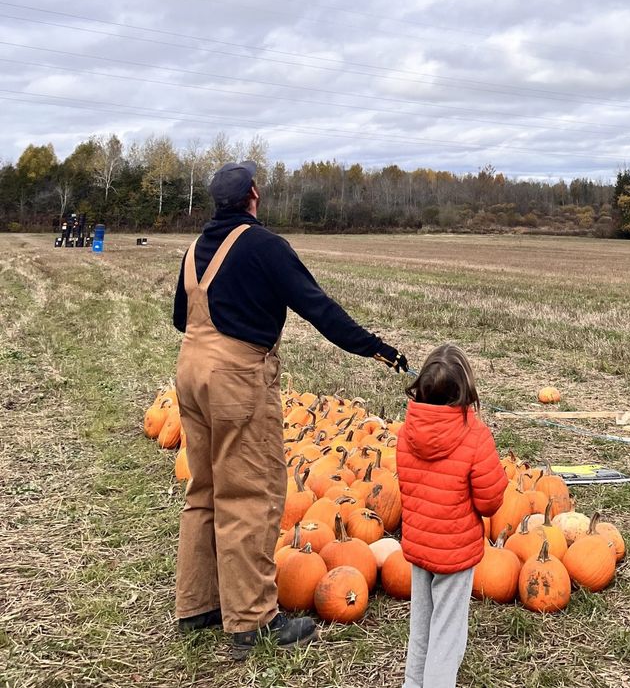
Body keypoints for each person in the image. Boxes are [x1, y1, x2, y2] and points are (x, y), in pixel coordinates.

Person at [172, 159, 408, 659]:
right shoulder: (265, 246)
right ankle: (253, 621)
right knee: (251, 495)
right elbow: (316, 306)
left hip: (190, 372)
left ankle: (197, 605)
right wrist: (376, 348)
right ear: (253, 195)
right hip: (237, 379)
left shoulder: (196, 250)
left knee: (205, 488)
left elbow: (180, 317)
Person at [395, 343, 507, 688]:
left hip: (418, 545)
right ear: (465, 392)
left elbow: (408, 486)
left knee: (422, 624)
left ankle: (413, 682)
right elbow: (490, 501)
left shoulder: (405, 433)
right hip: (456, 553)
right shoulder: (474, 436)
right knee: (448, 630)